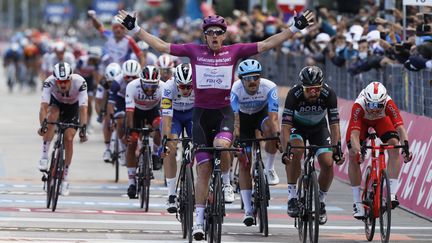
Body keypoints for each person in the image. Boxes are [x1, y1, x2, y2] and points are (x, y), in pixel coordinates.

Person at [116, 9, 314, 241]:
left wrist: (294, 28)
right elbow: (161, 46)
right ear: (205, 36)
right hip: (200, 115)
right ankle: (198, 221)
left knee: (222, 145)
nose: (214, 36)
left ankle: (226, 182)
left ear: (224, 35)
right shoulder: (193, 51)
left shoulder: (234, 51)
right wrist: (135, 29)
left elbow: (268, 43)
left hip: (223, 113)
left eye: (219, 33)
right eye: (210, 33)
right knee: (203, 170)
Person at [281, 66, 343, 225]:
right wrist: (285, 149)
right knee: (295, 152)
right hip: (297, 127)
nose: (313, 92)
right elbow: (285, 126)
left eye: (316, 89)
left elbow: (334, 124)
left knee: (328, 163)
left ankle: (321, 202)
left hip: (319, 128)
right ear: (302, 87)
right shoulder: (293, 95)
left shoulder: (329, 94)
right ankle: (292, 197)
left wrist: (337, 148)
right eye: (309, 89)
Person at [346, 81, 412, 219]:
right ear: (366, 101)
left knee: (394, 145)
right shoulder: (359, 105)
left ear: (384, 101)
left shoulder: (389, 103)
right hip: (362, 122)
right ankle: (357, 201)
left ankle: (392, 193)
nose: (374, 109)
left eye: (378, 106)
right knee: (353, 154)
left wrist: (406, 147)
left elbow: (400, 128)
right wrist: (358, 151)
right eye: (371, 105)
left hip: (382, 121)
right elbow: (354, 135)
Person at [230, 59, 280, 226]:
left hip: (261, 116)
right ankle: (248, 210)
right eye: (247, 78)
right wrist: (236, 140)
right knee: (244, 162)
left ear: (261, 77)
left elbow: (274, 118)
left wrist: (277, 135)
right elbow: (235, 121)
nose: (252, 82)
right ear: (241, 79)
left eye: (255, 77)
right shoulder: (235, 90)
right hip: (242, 120)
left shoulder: (269, 86)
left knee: (271, 131)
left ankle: (270, 168)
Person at [37, 62, 88, 196]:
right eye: (60, 81)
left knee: (69, 138)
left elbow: (83, 108)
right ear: (55, 80)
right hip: (56, 104)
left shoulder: (80, 82)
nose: (63, 85)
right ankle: (44, 156)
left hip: (73, 108)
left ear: (71, 78)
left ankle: (65, 178)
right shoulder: (49, 82)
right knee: (52, 116)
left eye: (66, 81)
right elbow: (43, 107)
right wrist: (43, 125)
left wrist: (83, 129)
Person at [124, 66, 164, 199]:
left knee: (160, 126)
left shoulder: (163, 87)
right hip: (136, 112)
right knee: (132, 142)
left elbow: (166, 113)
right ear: (140, 81)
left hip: (153, 111)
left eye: (153, 86)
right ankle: (131, 183)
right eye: (146, 85)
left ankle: (155, 154)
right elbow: (129, 111)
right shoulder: (132, 86)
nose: (149, 89)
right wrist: (130, 130)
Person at [160, 63, 195, 213]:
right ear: (176, 82)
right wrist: (166, 140)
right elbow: (166, 117)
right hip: (174, 116)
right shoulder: (168, 87)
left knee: (202, 145)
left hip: (193, 114)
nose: (186, 90)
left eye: (189, 86)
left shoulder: (199, 85)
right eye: (182, 86)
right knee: (170, 148)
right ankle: (171, 194)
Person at [105, 60, 141, 163]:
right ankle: (122, 148)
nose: (130, 80)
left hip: (137, 99)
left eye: (134, 77)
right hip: (122, 100)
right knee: (120, 121)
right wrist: (112, 119)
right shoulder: (117, 82)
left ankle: (142, 144)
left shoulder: (143, 80)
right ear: (123, 74)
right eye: (127, 77)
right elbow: (110, 103)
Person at [95, 62, 123, 162]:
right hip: (109, 100)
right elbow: (98, 101)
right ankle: (107, 149)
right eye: (110, 83)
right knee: (107, 119)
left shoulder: (124, 81)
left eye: (114, 82)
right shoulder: (102, 82)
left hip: (122, 100)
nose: (112, 85)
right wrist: (101, 114)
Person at [75, 46, 103, 129]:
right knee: (77, 101)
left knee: (89, 102)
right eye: (94, 59)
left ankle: (89, 122)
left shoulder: (97, 64)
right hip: (79, 79)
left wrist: (98, 87)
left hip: (89, 81)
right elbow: (75, 73)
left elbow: (97, 77)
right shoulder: (81, 60)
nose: (95, 61)